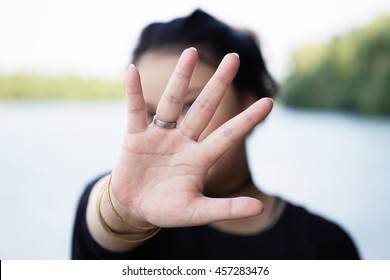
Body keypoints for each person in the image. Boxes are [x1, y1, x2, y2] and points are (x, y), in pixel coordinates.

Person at [72, 9, 359, 259]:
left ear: (248, 103)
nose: (166, 128)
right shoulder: (128, 210)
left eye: (190, 104)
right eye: (150, 114)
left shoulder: (326, 244)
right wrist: (122, 210)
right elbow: (106, 222)